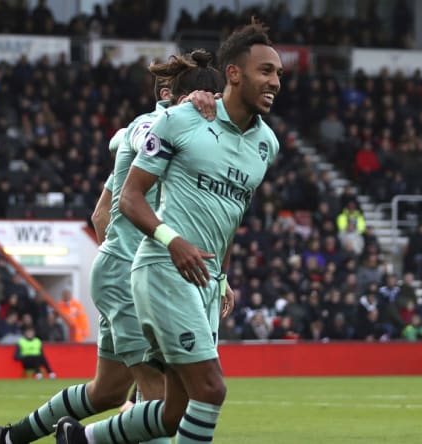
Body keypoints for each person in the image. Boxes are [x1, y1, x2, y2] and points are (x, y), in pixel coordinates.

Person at [55, 20, 282, 444]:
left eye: (278, 74)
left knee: (174, 412)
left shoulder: (267, 145)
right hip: (163, 267)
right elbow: (129, 198)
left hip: (205, 280)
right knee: (210, 390)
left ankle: (80, 440)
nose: (275, 82)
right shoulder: (181, 120)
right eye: (265, 71)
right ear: (233, 73)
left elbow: (230, 218)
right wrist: (172, 241)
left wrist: (222, 278)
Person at [0, 51, 223, 444]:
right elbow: (138, 142)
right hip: (131, 274)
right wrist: (133, 264)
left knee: (107, 391)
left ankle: (10, 439)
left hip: (120, 270)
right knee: (160, 393)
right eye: (209, 99)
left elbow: (99, 214)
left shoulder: (157, 137)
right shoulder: (154, 127)